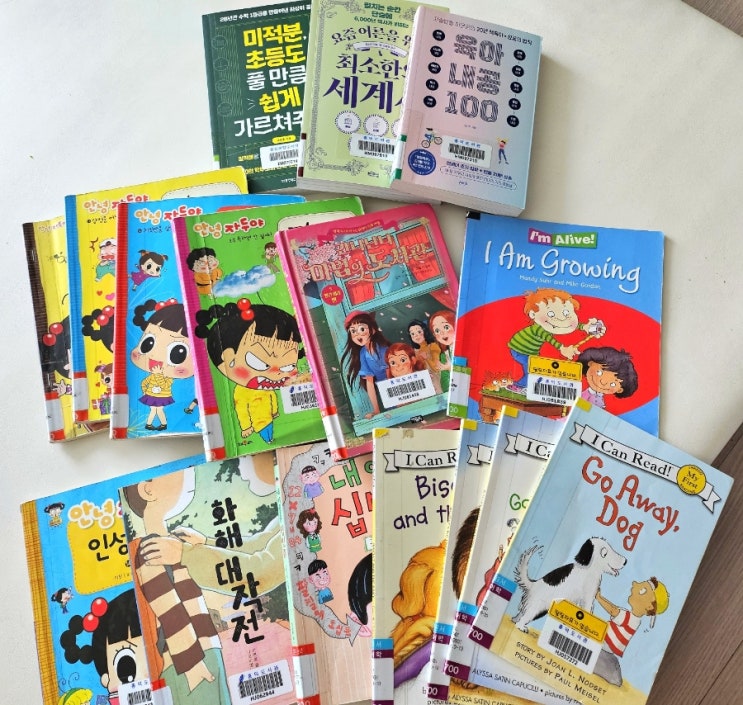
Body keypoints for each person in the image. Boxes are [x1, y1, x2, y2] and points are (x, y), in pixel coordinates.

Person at [194, 298, 302, 444]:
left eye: (288, 366)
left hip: (268, 416)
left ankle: (269, 439)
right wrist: (246, 427)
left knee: (270, 432)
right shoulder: (241, 392)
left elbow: (272, 396)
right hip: (257, 423)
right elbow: (242, 410)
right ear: (228, 357)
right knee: (266, 433)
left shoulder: (266, 385)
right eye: (259, 363)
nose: (276, 373)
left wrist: (275, 411)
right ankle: (268, 440)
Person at [507, 288, 605, 388]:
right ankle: (519, 386)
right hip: (519, 350)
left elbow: (569, 326)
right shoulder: (539, 328)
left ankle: (532, 384)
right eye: (551, 314)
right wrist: (562, 348)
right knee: (532, 369)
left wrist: (585, 327)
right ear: (533, 314)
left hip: (530, 352)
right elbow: (548, 338)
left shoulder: (548, 326)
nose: (561, 319)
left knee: (536, 369)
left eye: (566, 313)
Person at [130, 299, 194, 431]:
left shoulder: (166, 378)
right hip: (151, 395)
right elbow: (146, 381)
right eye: (147, 343)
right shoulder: (153, 376)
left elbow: (166, 384)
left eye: (178, 352)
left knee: (157, 410)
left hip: (161, 396)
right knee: (154, 410)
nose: (154, 358)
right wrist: (145, 390)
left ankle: (160, 424)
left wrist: (159, 375)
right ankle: (153, 424)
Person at [593, 577, 669, 687]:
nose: (634, 584)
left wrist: (598, 597)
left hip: (605, 646)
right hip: (604, 645)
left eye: (642, 590)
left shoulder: (630, 618)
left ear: (649, 606)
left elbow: (613, 610)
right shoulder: (635, 620)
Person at [341, 311, 391, 418]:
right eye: (353, 331)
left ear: (373, 329)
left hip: (394, 384)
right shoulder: (362, 353)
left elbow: (389, 372)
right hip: (384, 391)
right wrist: (376, 410)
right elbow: (369, 381)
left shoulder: (382, 347)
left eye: (362, 329)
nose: (358, 335)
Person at [428, 309, 456, 392]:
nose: (442, 333)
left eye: (446, 327)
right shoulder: (444, 356)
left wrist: (451, 368)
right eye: (437, 331)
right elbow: (444, 384)